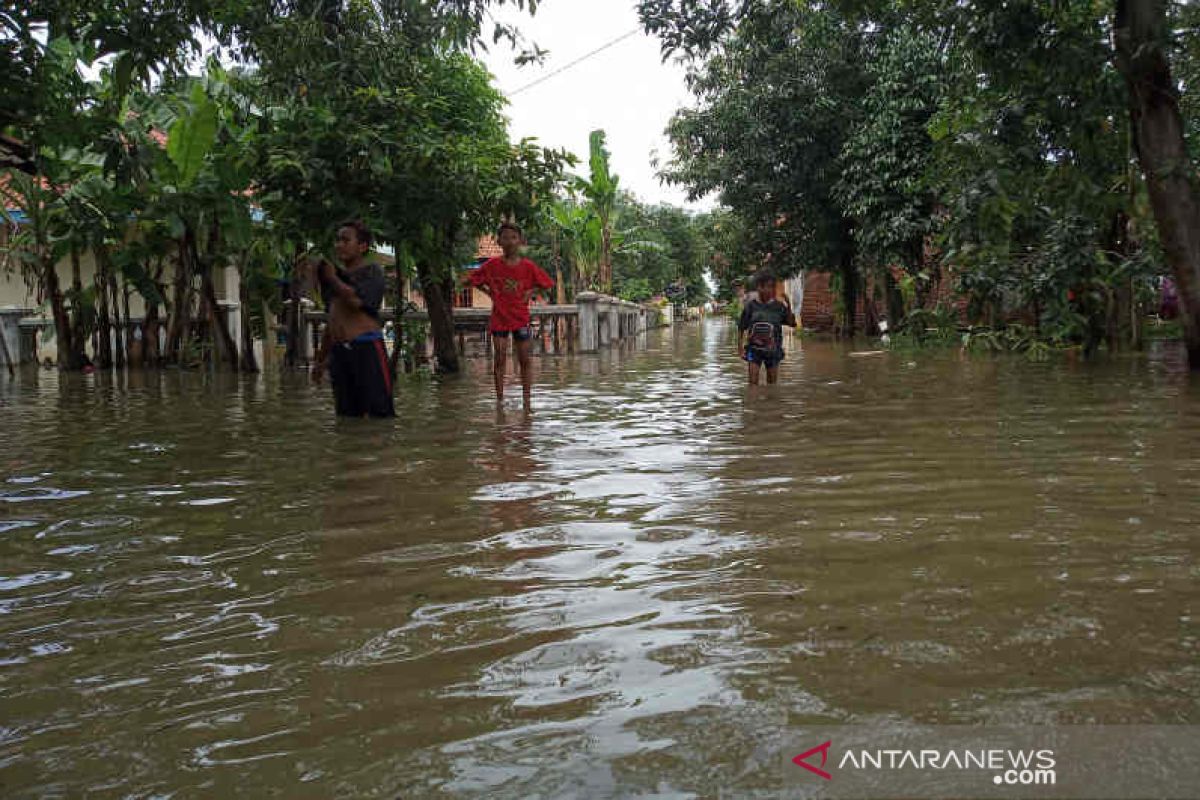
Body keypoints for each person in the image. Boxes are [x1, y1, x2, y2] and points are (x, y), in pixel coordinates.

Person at [467, 222, 554, 410]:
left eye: (513, 237)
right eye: (505, 237)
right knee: (499, 359)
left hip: (520, 317)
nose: (510, 241)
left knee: (525, 359)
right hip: (499, 318)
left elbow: (547, 283)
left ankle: (527, 401)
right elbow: (472, 279)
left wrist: (530, 291)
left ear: (520, 241)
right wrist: (489, 292)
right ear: (499, 241)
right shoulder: (492, 265)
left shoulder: (528, 267)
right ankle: (499, 401)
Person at [312, 221, 395, 418]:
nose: (339, 245)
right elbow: (332, 320)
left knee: (380, 416)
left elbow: (357, 302)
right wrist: (320, 360)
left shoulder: (373, 271)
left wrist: (332, 278)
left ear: (362, 246)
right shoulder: (334, 279)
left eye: (346, 240)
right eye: (338, 240)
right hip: (340, 353)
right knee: (346, 418)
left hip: (367, 349)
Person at [738, 271, 796, 385]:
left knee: (772, 385)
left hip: (773, 351)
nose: (771, 290)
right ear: (759, 287)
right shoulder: (750, 306)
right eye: (768, 287)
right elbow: (741, 327)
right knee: (752, 384)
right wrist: (740, 348)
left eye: (772, 287)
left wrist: (788, 305)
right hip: (753, 350)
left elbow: (791, 323)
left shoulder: (779, 307)